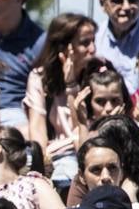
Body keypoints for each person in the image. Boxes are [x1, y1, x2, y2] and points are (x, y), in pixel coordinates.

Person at [26, 13, 97, 188]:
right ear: (65, 47)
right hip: (57, 153)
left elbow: (80, 129)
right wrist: (43, 161)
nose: (93, 49)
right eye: (85, 43)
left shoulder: (100, 72)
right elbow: (37, 128)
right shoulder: (41, 78)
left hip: (90, 149)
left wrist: (72, 86)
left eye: (93, 41)